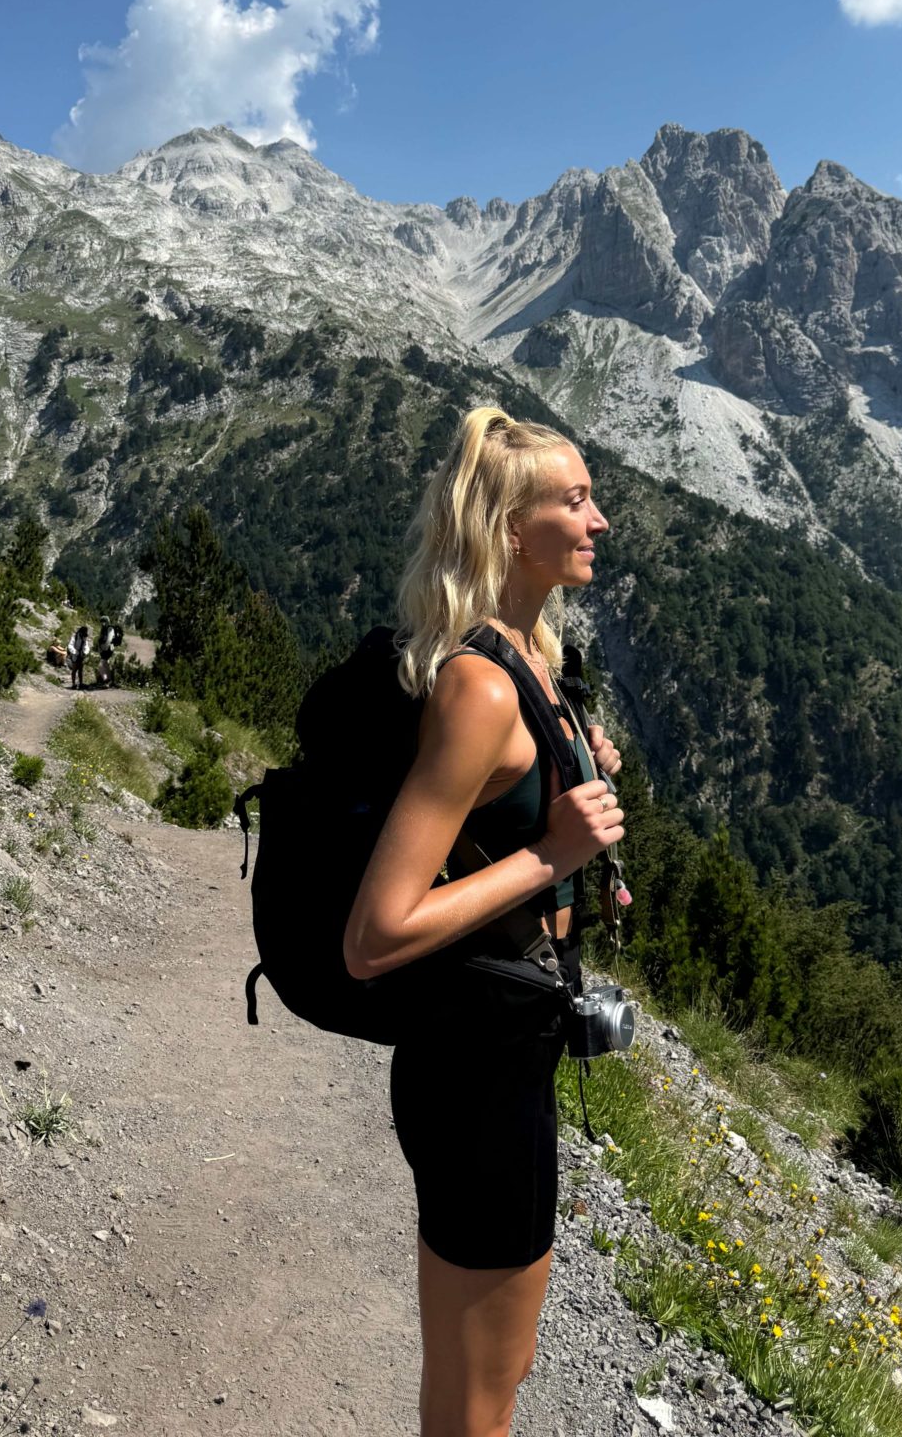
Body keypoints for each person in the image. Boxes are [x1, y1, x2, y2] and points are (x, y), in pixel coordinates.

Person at [344, 405, 624, 1437]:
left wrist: (575, 777)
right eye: (577, 501)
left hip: (500, 1047)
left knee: (487, 1378)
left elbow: (502, 808)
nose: (598, 522)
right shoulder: (479, 685)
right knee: (478, 1398)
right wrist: (551, 855)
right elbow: (376, 932)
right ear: (512, 528)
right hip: (475, 1067)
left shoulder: (525, 654)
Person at [65, 623, 90, 691]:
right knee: (74, 669)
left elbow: (86, 646)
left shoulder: (84, 638)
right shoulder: (75, 636)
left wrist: (85, 652)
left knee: (80, 670)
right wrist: (75, 652)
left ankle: (81, 683)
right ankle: (73, 684)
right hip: (75, 655)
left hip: (81, 655)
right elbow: (70, 645)